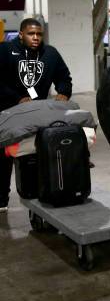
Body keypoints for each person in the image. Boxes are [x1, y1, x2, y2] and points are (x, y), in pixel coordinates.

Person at [0, 18, 72, 211]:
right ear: (21, 34)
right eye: (31, 34)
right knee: (5, 156)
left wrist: (64, 92)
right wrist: (17, 98)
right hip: (8, 113)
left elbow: (64, 77)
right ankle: (1, 199)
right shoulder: (5, 50)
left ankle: (41, 192)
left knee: (39, 152)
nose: (36, 38)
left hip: (38, 113)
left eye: (39, 34)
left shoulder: (50, 54)